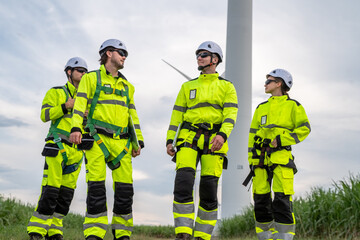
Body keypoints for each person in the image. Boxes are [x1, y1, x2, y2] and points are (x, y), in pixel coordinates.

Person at [69, 39, 144, 240]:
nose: (124, 56)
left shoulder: (128, 86)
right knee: (96, 188)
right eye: (122, 52)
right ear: (109, 53)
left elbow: (132, 115)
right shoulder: (91, 78)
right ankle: (94, 233)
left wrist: (138, 142)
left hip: (123, 144)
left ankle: (122, 233)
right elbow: (79, 105)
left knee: (125, 191)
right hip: (96, 140)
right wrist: (76, 127)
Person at [166, 41, 238, 240]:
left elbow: (231, 115)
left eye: (204, 54)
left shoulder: (227, 87)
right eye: (197, 54)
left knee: (208, 190)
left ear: (215, 60)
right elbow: (176, 116)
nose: (199, 57)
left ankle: (202, 236)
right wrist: (169, 140)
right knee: (182, 184)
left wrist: (222, 136)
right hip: (188, 139)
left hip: (215, 141)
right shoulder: (187, 86)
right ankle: (183, 233)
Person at [245, 69, 311, 240]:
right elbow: (252, 135)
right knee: (260, 200)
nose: (265, 84)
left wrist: (283, 140)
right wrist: (251, 159)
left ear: (279, 83)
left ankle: (284, 237)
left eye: (269, 81)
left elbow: (305, 129)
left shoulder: (293, 106)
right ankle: (265, 237)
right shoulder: (261, 108)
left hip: (281, 159)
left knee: (281, 200)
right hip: (260, 160)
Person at [27, 57, 88, 240]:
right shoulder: (56, 92)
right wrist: (65, 106)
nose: (83, 74)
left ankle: (54, 231)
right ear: (69, 72)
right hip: (57, 146)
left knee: (65, 196)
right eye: (80, 71)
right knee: (51, 191)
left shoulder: (88, 98)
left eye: (85, 72)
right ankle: (37, 230)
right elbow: (44, 115)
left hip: (77, 153)